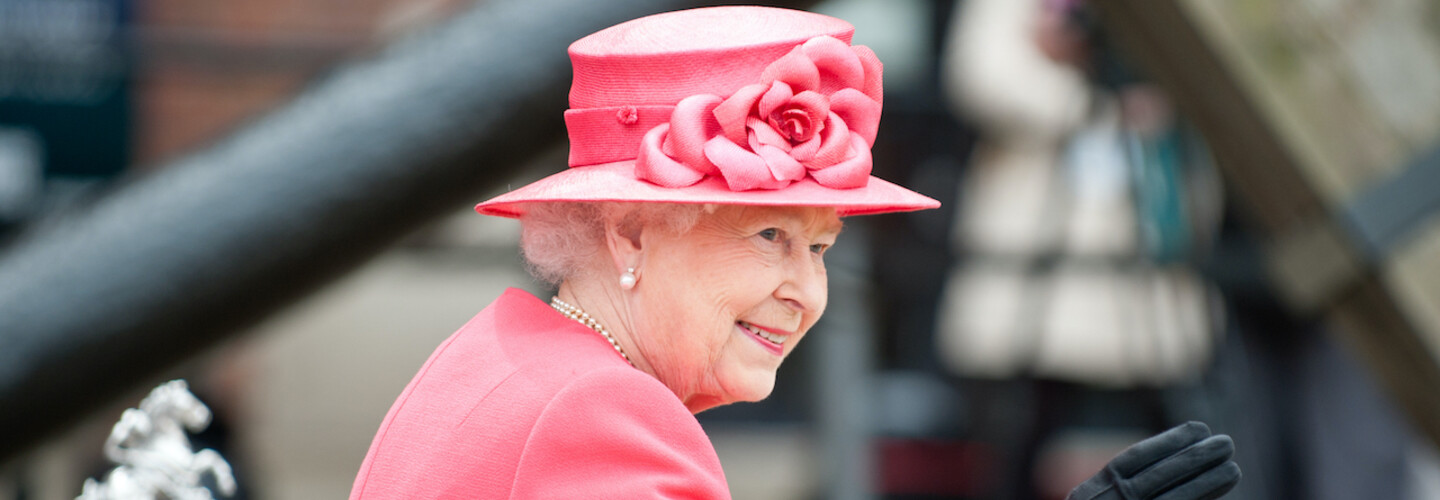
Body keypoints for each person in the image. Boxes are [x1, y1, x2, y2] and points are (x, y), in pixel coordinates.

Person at [347, 6, 1239, 499]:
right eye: (769, 235)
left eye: (820, 247)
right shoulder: (604, 417)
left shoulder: (507, 357)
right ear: (627, 231)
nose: (804, 292)